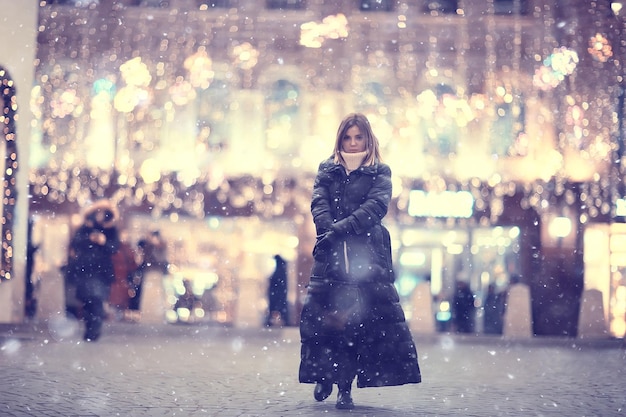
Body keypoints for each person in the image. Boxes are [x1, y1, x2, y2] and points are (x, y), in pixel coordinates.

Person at [298, 113, 421, 410]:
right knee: (322, 322)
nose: (353, 144)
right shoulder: (327, 169)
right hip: (330, 258)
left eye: (358, 137)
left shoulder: (380, 171)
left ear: (368, 139)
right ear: (340, 140)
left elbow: (375, 208)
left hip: (366, 258)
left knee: (357, 325)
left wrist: (339, 230)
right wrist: (327, 229)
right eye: (347, 138)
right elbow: (319, 202)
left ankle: (344, 387)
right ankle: (323, 375)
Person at [67, 200, 120, 341]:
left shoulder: (111, 230)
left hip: (101, 271)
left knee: (96, 300)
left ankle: (94, 330)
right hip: (85, 269)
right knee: (87, 301)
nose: (100, 216)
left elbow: (114, 248)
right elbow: (75, 243)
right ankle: (90, 328)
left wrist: (104, 242)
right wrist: (89, 238)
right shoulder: (85, 228)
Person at [109, 231, 138, 321]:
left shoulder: (115, 249)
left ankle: (115, 314)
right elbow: (133, 264)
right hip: (123, 278)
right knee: (122, 298)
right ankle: (119, 314)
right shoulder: (128, 250)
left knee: (115, 297)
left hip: (116, 277)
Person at [265, 254, 289, 327]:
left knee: (275, 307)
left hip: (276, 293)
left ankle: (273, 321)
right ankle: (283, 320)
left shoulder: (279, 271)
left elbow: (275, 281)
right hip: (279, 293)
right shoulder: (282, 270)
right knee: (280, 307)